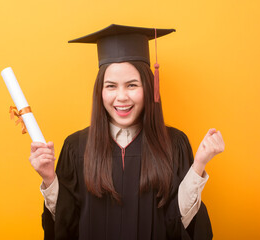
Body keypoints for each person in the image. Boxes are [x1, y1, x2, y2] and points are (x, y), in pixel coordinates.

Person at [29, 24, 225, 240]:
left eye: (132, 85)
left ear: (149, 88)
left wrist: (199, 166)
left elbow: (177, 222)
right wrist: (49, 179)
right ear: (100, 91)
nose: (121, 97)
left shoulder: (173, 144)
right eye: (111, 86)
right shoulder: (77, 147)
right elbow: (68, 223)